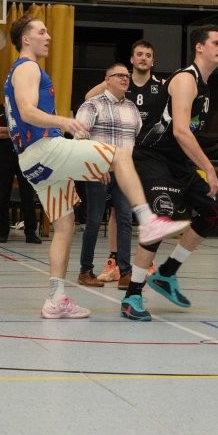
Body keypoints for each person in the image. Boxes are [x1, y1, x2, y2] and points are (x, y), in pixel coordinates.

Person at [4, 14, 188, 319]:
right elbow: (27, 111)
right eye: (42, 32)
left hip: (33, 162)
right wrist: (64, 121)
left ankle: (55, 299)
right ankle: (148, 220)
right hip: (45, 148)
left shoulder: (19, 70)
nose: (48, 36)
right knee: (120, 155)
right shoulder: (27, 67)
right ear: (26, 39)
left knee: (64, 225)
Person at [124, 26, 218, 321]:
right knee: (161, 217)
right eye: (216, 43)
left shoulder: (205, 87)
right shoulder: (185, 79)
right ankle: (132, 295)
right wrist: (209, 168)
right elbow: (181, 130)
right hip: (153, 157)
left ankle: (167, 273)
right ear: (199, 47)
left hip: (178, 162)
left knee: (212, 214)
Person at [83, 39, 167, 281]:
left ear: (153, 60)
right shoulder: (117, 85)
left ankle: (143, 262)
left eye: (148, 55)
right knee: (111, 214)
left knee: (142, 211)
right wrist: (111, 79)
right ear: (132, 59)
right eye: (139, 54)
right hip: (113, 160)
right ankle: (112, 262)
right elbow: (88, 99)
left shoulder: (161, 86)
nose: (143, 58)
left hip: (146, 155)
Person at [74, 63, 143, 287]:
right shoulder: (92, 105)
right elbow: (79, 138)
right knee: (94, 221)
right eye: (119, 75)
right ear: (107, 80)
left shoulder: (132, 108)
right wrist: (97, 165)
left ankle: (125, 272)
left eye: (126, 76)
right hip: (99, 173)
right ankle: (85, 271)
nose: (124, 79)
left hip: (123, 175)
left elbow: (135, 139)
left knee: (125, 221)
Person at [0, 102, 40, 244]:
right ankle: (3, 233)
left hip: (24, 154)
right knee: (3, 195)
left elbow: (31, 132)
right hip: (3, 155)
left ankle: (30, 233)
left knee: (28, 194)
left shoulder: (26, 109)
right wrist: (16, 130)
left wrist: (5, 131)